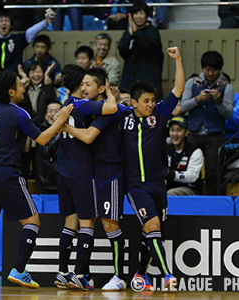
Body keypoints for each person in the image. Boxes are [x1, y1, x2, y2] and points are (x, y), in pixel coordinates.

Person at [0, 70, 73, 291]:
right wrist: (61, 121)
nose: (23, 88)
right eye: (19, 85)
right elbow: (43, 139)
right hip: (7, 173)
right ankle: (18, 270)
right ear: (10, 92)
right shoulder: (19, 113)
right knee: (32, 222)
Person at [121, 46, 184, 290]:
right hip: (136, 186)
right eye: (145, 101)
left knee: (154, 233)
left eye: (152, 100)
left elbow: (178, 90)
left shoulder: (158, 114)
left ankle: (139, 275)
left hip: (159, 185)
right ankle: (168, 275)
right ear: (134, 102)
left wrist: (177, 59)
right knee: (153, 227)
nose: (150, 104)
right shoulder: (123, 117)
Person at [62, 67, 128, 291]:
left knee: (109, 223)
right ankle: (85, 275)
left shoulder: (109, 112)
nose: (83, 88)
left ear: (101, 88)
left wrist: (65, 125)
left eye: (87, 84)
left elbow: (89, 136)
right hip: (92, 172)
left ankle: (119, 275)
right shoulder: (90, 108)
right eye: (82, 84)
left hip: (110, 173)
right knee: (89, 222)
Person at [180, 51, 234, 195]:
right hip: (193, 133)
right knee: (191, 171)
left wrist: (219, 101)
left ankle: (214, 205)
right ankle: (192, 200)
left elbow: (228, 113)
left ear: (220, 69)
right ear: (203, 68)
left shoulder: (226, 87)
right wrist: (197, 99)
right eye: (207, 69)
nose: (210, 73)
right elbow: (183, 106)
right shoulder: (192, 83)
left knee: (213, 173)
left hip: (215, 135)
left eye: (214, 70)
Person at [118, 1, 163, 100]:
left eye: (141, 13)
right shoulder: (129, 32)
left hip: (149, 79)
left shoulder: (152, 31)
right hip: (131, 80)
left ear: (147, 15)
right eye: (136, 13)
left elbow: (148, 45)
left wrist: (136, 32)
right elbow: (122, 50)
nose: (138, 16)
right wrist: (129, 34)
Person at [166, 117, 204, 196]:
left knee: (170, 194)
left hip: (191, 189)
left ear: (186, 132)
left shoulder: (195, 151)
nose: (175, 134)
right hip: (169, 188)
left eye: (179, 130)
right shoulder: (166, 149)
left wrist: (171, 174)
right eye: (172, 130)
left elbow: (192, 176)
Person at [34, 101, 62, 194]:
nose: (53, 114)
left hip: (61, 180)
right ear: (46, 115)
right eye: (50, 111)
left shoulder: (68, 132)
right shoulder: (39, 130)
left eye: (56, 111)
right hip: (44, 180)